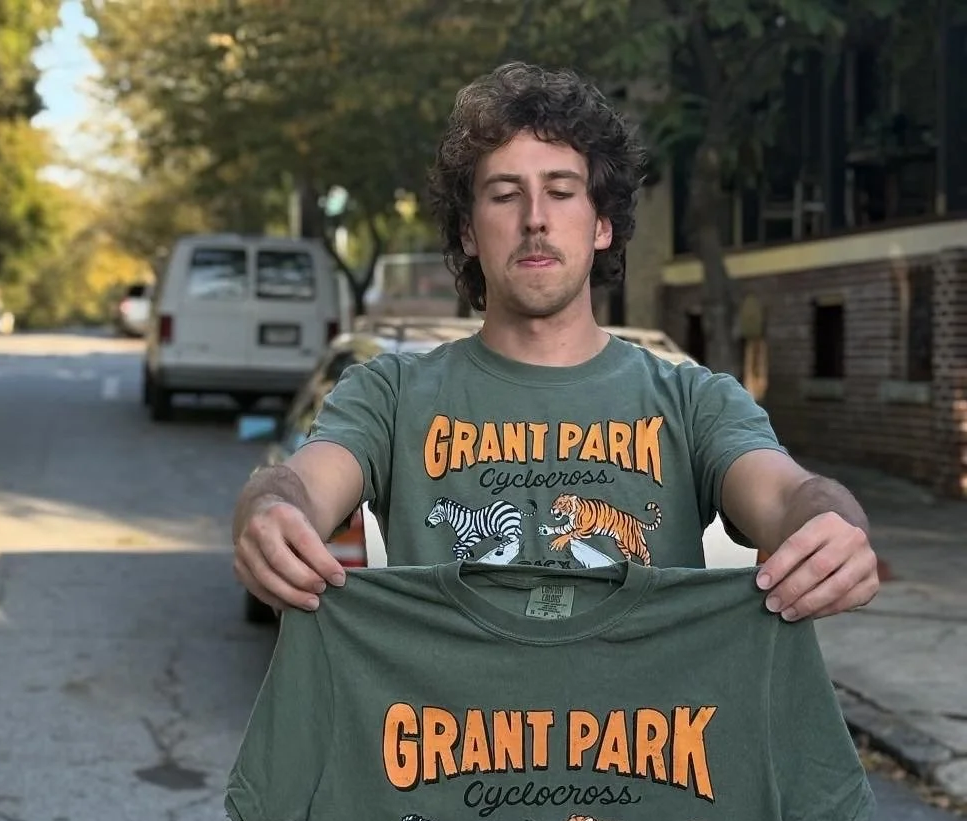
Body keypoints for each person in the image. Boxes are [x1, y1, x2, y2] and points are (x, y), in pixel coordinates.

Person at [232, 62, 878, 619]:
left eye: (561, 192)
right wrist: (266, 510)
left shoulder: (692, 402)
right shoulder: (389, 395)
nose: (534, 218)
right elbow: (301, 485)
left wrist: (831, 524)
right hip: (447, 757)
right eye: (505, 194)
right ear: (467, 232)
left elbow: (791, 494)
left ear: (602, 224)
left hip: (639, 757)